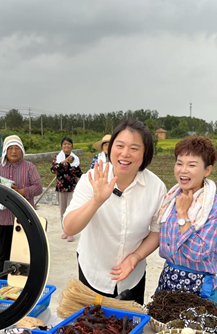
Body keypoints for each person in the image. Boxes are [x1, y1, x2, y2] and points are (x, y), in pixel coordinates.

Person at [63, 120, 167, 305]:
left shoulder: (156, 187)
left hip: (132, 276)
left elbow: (157, 231)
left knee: (129, 329)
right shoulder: (92, 179)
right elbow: (69, 227)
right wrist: (97, 201)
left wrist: (136, 257)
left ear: (145, 154)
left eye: (134, 148)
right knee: (89, 329)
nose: (125, 153)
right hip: (93, 273)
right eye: (120, 146)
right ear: (111, 148)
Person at [156, 137, 217, 303]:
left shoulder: (216, 208)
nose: (183, 170)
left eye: (192, 165)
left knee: (193, 330)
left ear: (207, 170)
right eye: (179, 163)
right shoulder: (170, 199)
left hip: (199, 287)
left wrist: (183, 214)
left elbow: (198, 252)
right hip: (168, 281)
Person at [0, 135, 43, 273]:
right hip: (3, 220)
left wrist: (21, 191)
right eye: (10, 148)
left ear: (22, 150)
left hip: (24, 219)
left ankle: (23, 283)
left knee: (23, 252)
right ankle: (2, 282)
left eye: (17, 148)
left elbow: (38, 187)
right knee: (3, 253)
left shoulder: (29, 167)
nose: (14, 152)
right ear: (5, 151)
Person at [51, 137, 82, 242]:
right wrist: (63, 162)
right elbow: (53, 169)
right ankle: (65, 230)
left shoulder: (75, 159)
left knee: (71, 210)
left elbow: (78, 173)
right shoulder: (58, 158)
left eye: (69, 144)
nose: (66, 146)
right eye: (64, 144)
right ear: (62, 146)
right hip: (61, 188)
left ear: (72, 146)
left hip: (72, 188)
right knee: (63, 210)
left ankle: (71, 232)